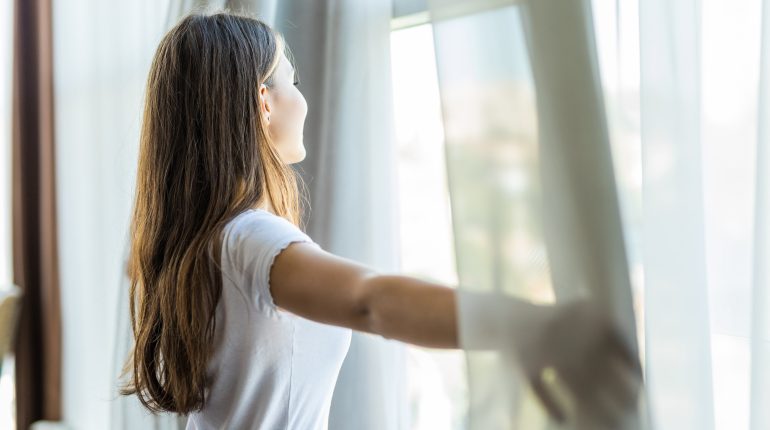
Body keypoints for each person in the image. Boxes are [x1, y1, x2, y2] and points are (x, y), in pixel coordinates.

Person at [119, 11, 641, 430]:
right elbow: (371, 300)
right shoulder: (251, 239)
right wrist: (533, 325)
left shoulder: (202, 244)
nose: (300, 98)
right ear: (264, 102)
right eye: (291, 81)